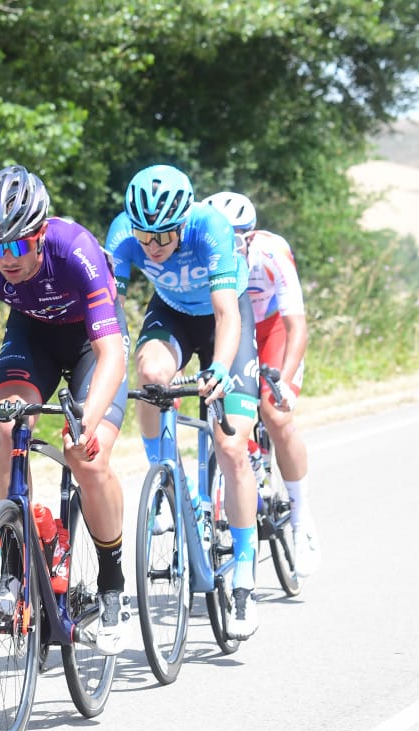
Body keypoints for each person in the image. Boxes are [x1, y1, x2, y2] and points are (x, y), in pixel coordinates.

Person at [0, 164, 131, 653]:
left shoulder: (74, 248)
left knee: (88, 455)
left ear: (40, 235)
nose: (6, 258)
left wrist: (87, 420)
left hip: (90, 343)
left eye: (17, 245)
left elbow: (112, 355)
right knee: (5, 423)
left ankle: (112, 583)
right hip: (31, 336)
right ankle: (17, 562)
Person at [105, 165, 262, 638]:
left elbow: (225, 313)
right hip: (170, 313)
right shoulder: (122, 235)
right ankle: (165, 482)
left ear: (183, 219)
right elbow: (106, 309)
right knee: (151, 375)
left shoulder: (208, 227)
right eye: (144, 237)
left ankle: (245, 573)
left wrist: (218, 368)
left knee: (232, 447)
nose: (152, 247)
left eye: (163, 236)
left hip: (223, 319)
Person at [203, 191, 322, 577]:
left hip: (271, 330)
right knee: (221, 411)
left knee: (275, 412)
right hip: (231, 331)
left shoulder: (271, 255)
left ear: (250, 237)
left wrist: (282, 381)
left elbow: (296, 326)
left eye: (235, 240)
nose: (227, 247)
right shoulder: (204, 258)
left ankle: (302, 518)